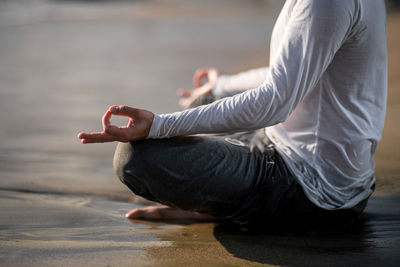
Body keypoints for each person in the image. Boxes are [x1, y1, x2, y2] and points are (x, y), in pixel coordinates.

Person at [78, 0, 387, 229]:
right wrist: (222, 85)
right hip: (294, 152)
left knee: (136, 157)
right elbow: (301, 67)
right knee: (206, 99)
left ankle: (221, 205)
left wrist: (159, 125)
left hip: (314, 190)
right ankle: (223, 199)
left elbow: (276, 102)